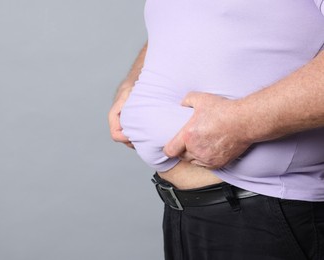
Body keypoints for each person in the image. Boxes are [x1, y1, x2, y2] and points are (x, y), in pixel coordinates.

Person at [109, 1, 324, 259]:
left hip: (268, 212)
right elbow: (184, 24)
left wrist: (242, 123)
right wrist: (132, 83)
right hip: (183, 214)